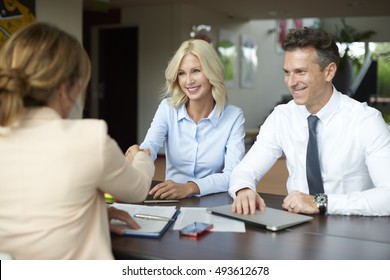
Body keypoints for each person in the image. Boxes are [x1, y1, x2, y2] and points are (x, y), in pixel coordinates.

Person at [0, 22, 154, 259]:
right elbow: (138, 190)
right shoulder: (89, 140)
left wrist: (94, 213)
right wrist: (142, 157)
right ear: (64, 88)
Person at [229, 27, 390, 216]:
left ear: (329, 72)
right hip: (296, 228)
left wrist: (321, 202)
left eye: (300, 72)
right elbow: (245, 170)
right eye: (287, 72)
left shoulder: (365, 121)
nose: (291, 82)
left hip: (352, 229)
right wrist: (244, 189)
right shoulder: (282, 117)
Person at [137, 39, 245, 199]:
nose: (188, 81)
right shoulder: (167, 108)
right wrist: (140, 154)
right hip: (171, 200)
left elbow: (232, 175)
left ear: (212, 71)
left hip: (212, 200)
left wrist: (190, 187)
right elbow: (150, 146)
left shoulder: (234, 117)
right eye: (181, 73)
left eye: (196, 71)